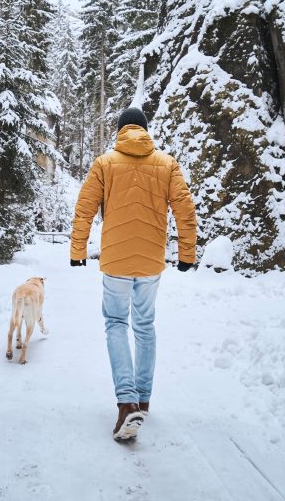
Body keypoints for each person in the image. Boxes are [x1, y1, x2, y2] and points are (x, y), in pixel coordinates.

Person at [70, 106, 197, 441]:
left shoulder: (105, 163)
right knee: (144, 326)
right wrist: (186, 254)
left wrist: (77, 251)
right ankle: (143, 398)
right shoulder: (167, 164)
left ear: (120, 130)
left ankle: (126, 403)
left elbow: (84, 208)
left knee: (115, 324)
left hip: (115, 262)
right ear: (145, 130)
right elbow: (185, 210)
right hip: (152, 261)